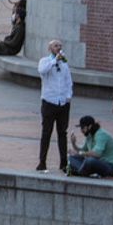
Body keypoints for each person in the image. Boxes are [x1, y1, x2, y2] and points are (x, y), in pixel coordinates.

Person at [36, 39, 73, 173]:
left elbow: (68, 81)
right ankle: (42, 162)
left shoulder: (64, 64)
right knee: (46, 132)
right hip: (49, 101)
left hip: (62, 103)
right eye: (56, 46)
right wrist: (54, 61)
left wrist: (68, 96)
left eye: (60, 46)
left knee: (62, 133)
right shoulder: (45, 61)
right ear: (50, 48)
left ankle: (63, 163)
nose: (58, 48)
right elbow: (42, 70)